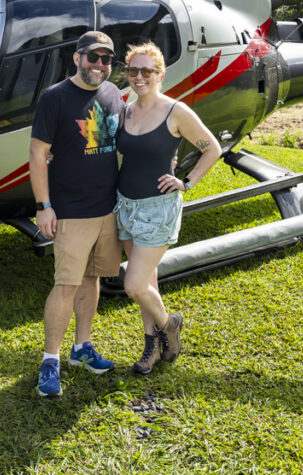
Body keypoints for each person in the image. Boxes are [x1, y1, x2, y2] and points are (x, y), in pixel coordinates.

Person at [115, 41, 221, 374]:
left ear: (160, 74)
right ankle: (152, 349)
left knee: (133, 285)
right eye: (133, 71)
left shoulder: (176, 111)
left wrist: (186, 182)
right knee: (149, 282)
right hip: (125, 206)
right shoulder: (126, 110)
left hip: (158, 208)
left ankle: (169, 325)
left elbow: (212, 148)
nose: (139, 77)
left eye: (147, 71)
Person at [29, 30, 124, 398]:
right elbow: (38, 155)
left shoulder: (113, 93)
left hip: (108, 208)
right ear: (77, 57)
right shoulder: (54, 98)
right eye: (93, 58)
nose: (99, 66)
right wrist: (44, 206)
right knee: (66, 285)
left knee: (92, 279)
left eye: (106, 60)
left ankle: (81, 349)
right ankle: (50, 360)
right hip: (70, 210)